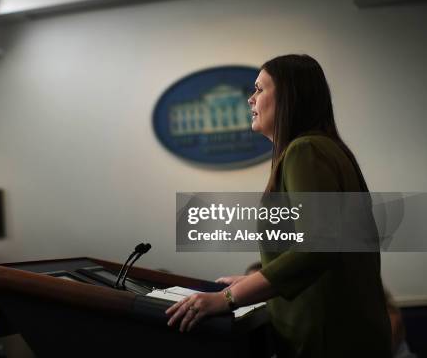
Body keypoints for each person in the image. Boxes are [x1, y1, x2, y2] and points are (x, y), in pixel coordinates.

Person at [165, 54, 392, 357]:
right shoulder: (323, 148)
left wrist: (229, 298)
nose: (250, 99)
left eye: (259, 89)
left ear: (288, 96)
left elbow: (317, 246)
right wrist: (259, 279)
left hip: (328, 340)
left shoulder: (306, 149)